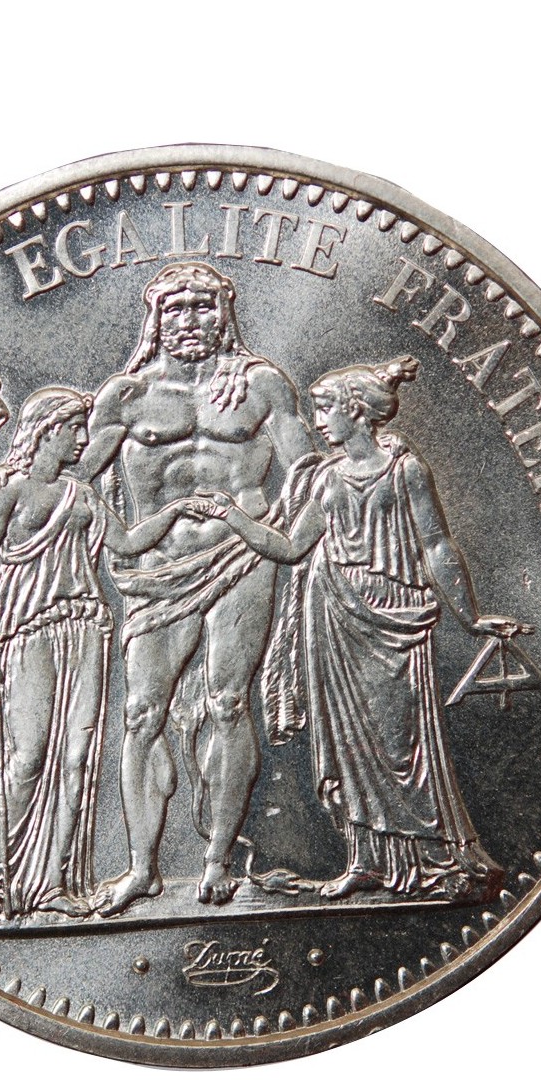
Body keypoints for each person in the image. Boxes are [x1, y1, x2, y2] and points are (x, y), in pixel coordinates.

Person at [188, 357, 509, 903]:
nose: (318, 421)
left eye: (326, 409)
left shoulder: (405, 469)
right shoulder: (327, 478)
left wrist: (470, 617)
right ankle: (366, 860)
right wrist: (233, 518)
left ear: (357, 411)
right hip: (335, 613)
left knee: (403, 743)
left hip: (395, 614)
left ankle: (436, 857)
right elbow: (291, 547)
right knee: (347, 744)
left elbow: (437, 545)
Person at [75, 262, 316, 913]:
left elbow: (307, 473)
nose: (190, 320)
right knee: (142, 712)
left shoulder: (261, 384)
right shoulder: (126, 396)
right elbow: (77, 481)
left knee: (229, 702)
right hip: (156, 568)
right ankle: (141, 869)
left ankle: (216, 862)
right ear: (156, 319)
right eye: (176, 308)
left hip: (242, 556)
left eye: (203, 306)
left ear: (224, 314)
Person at [0, 385, 197, 924]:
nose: (82, 439)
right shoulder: (8, 490)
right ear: (48, 430)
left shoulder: (81, 494)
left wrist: (178, 511)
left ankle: (54, 882)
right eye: (75, 429)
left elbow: (126, 543)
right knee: (26, 758)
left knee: (76, 760)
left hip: (83, 630)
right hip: (27, 634)